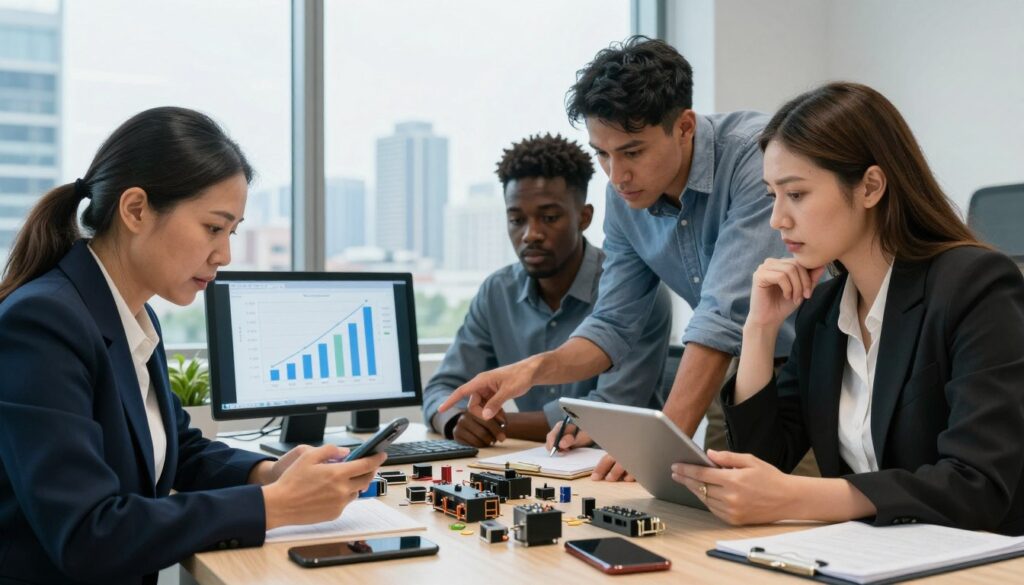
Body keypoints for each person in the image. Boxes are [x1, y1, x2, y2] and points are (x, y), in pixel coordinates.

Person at [0, 107, 387, 584]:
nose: (224, 254)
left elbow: (176, 447)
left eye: (232, 232)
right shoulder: (43, 322)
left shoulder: (129, 314)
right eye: (213, 227)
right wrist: (274, 506)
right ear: (136, 209)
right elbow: (87, 534)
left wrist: (268, 473)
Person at [439, 36, 802, 480]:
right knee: (715, 513)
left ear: (685, 126)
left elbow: (722, 316)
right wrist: (534, 369)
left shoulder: (756, 156)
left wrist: (657, 443)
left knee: (796, 525)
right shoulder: (625, 193)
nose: (617, 175)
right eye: (602, 155)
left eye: (632, 152)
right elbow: (612, 326)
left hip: (812, 368)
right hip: (732, 374)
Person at [673, 82, 1024, 534]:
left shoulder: (975, 286)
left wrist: (800, 495)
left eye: (795, 194)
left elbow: (976, 485)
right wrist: (758, 330)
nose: (777, 218)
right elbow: (761, 464)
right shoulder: (823, 308)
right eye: (771, 195)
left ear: (870, 187)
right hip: (871, 556)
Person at [421, 134, 671, 446]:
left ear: (584, 217)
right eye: (516, 219)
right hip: (538, 466)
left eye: (549, 218)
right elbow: (442, 388)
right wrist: (456, 420)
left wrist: (493, 423)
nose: (531, 234)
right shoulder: (497, 292)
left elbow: (609, 410)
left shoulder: (634, 291)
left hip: (620, 468)